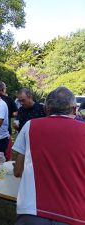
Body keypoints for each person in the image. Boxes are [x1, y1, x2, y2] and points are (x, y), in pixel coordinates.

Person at [13, 86, 85, 225]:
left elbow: (17, 171)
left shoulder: (29, 126)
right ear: (74, 110)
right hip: (74, 213)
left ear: (47, 109)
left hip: (31, 211)